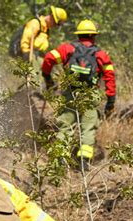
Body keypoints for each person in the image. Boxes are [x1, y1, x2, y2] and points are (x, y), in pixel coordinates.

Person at [41, 20, 116, 169]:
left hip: (70, 93)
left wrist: (47, 78)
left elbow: (48, 59)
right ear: (93, 36)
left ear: (78, 35)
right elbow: (110, 77)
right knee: (88, 128)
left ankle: (61, 162)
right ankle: (84, 163)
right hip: (90, 94)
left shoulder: (67, 49)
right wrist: (110, 100)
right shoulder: (100, 54)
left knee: (65, 126)